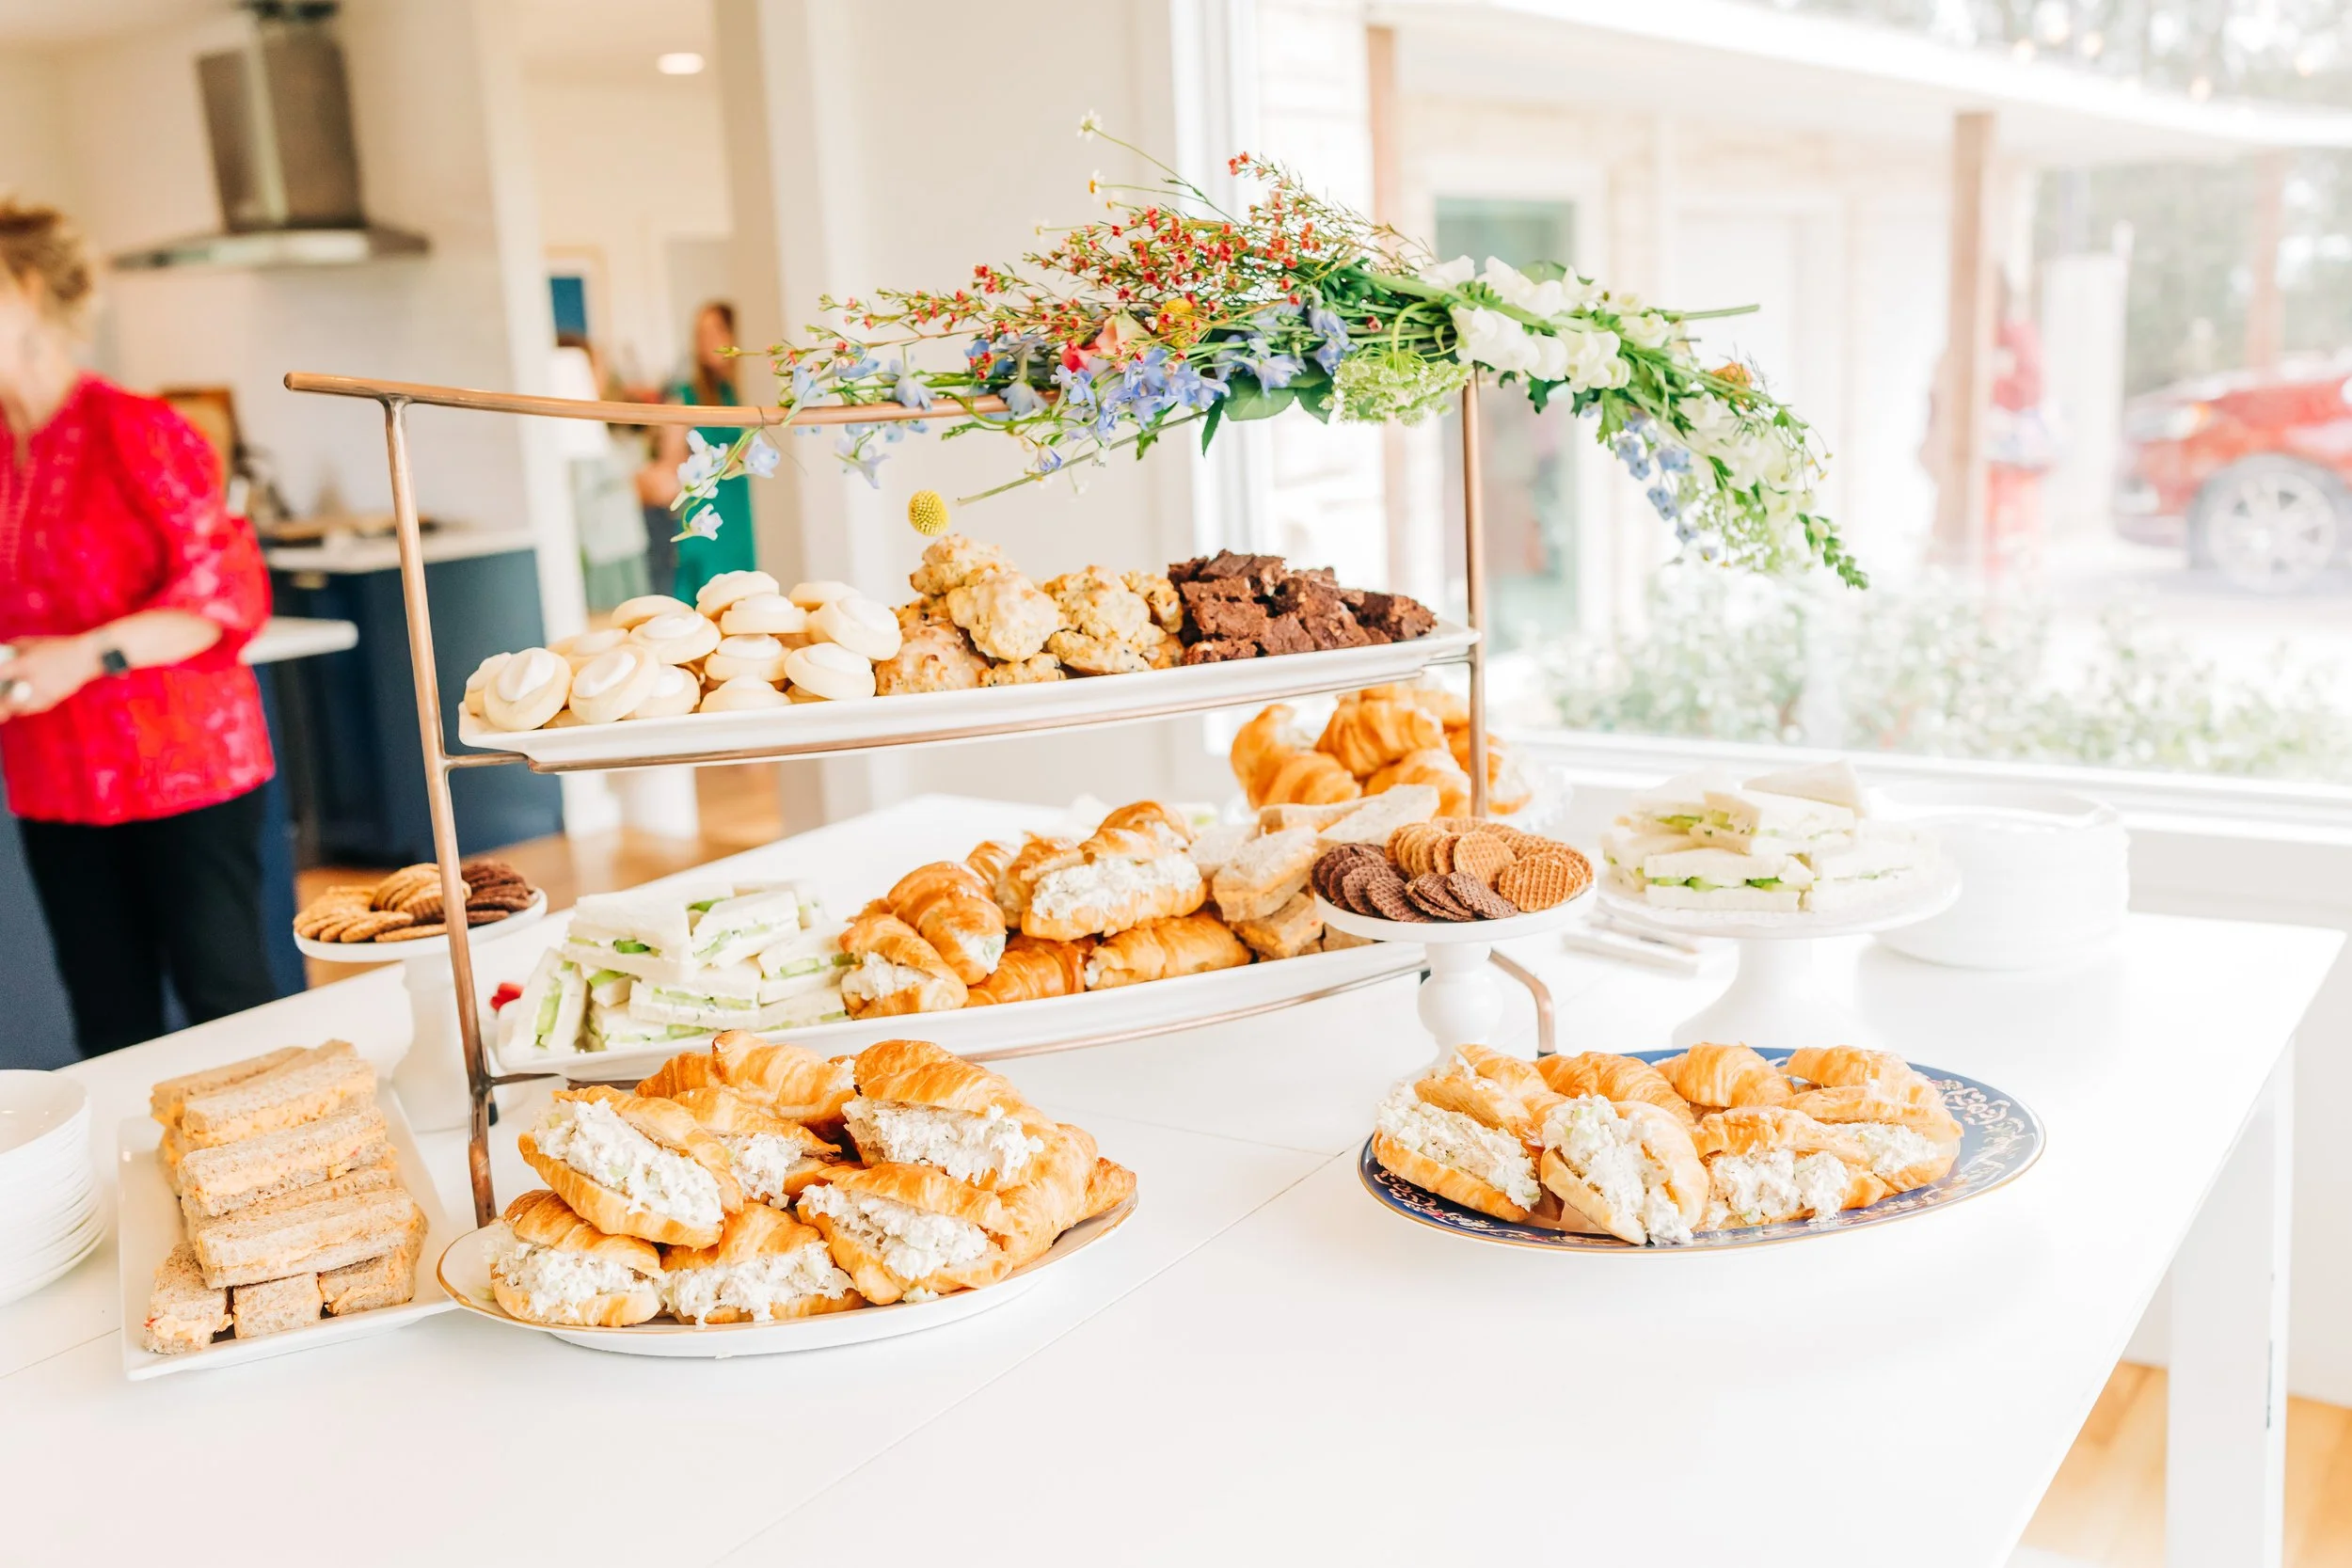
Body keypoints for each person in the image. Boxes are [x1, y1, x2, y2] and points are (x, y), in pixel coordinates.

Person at [0, 198, 278, 1056]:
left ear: (34, 300)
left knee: (225, 1002)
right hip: (56, 776)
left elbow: (223, 598)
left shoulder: (138, 430)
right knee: (110, 1018)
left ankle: (284, 1181)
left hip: (183, 768)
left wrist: (84, 656)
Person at [641, 301, 757, 606]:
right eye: (700, 332)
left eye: (714, 331)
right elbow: (671, 462)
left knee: (741, 597)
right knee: (704, 599)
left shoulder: (737, 394)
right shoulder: (685, 396)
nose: (706, 340)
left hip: (736, 511)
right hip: (704, 512)